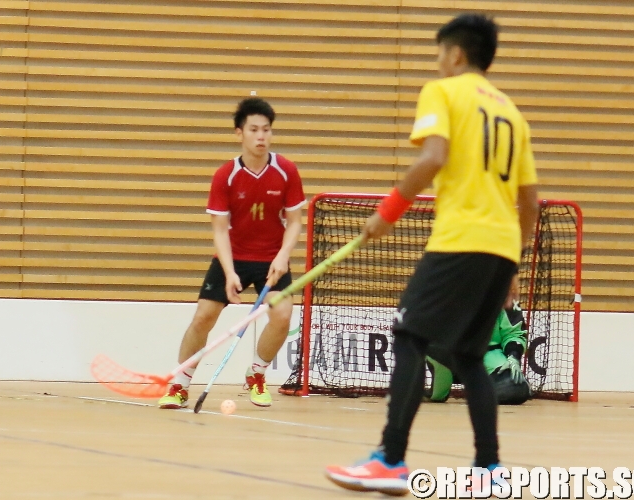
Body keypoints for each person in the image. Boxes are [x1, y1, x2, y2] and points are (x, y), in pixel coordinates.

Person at [325, 14, 539, 495]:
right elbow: (531, 203)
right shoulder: (512, 113)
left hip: (460, 239)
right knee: (467, 354)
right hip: (501, 248)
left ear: (456, 54)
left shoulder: (443, 92)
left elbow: (433, 158)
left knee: (408, 337)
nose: (437, 62)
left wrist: (388, 211)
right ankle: (488, 468)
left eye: (440, 52)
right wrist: (514, 264)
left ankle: (390, 459)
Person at [158, 97, 306, 409]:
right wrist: (229, 273)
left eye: (266, 130)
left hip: (271, 259)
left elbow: (294, 223)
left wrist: (282, 256)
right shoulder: (225, 175)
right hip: (233, 257)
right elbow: (219, 230)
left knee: (282, 314)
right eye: (254, 129)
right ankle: (180, 384)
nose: (261, 136)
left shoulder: (286, 171)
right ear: (239, 133)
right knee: (203, 316)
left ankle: (257, 374)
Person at [425, 295, 533, 406]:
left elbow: (514, 333)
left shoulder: (504, 293)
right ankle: (439, 391)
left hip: (489, 356)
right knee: (430, 342)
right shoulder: (446, 288)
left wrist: (513, 355)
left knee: (517, 388)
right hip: (451, 354)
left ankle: (479, 390)